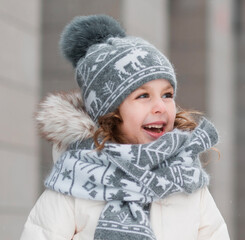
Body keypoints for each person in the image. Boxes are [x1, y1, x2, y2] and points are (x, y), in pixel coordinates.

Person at [21, 15, 230, 240]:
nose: (160, 106)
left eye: (167, 94)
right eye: (143, 96)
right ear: (110, 113)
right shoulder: (74, 184)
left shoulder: (186, 178)